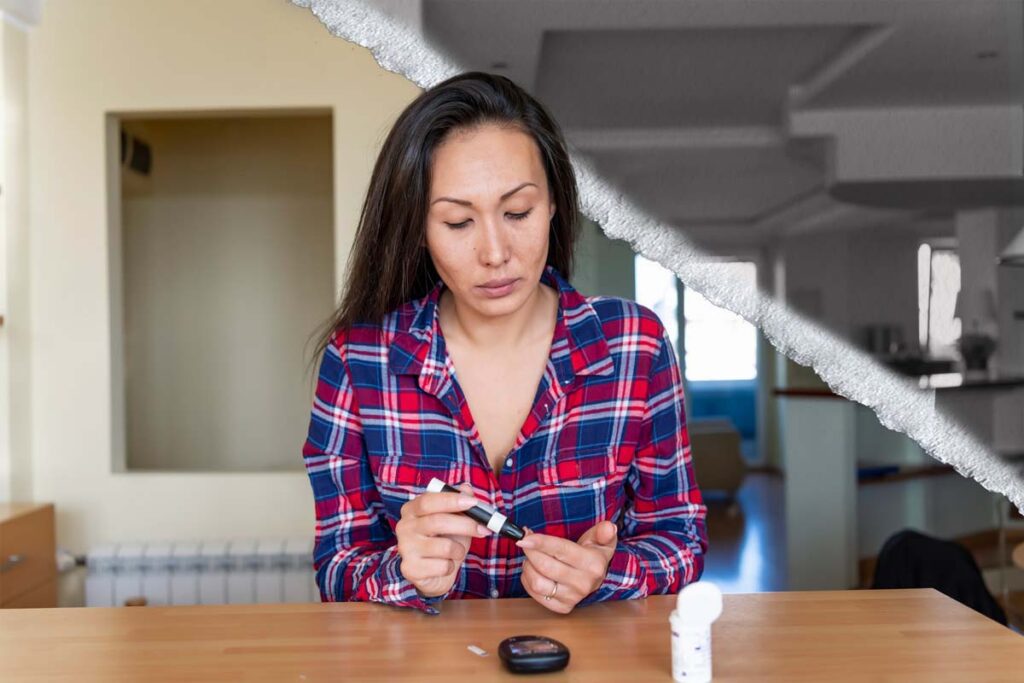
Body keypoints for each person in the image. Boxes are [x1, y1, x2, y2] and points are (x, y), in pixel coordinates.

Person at [301, 71, 707, 616]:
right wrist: (401, 572)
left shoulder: (635, 346)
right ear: (418, 229)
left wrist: (606, 573)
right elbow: (335, 565)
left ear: (555, 204)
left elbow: (681, 539)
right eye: (458, 221)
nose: (495, 252)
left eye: (517, 213)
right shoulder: (358, 361)